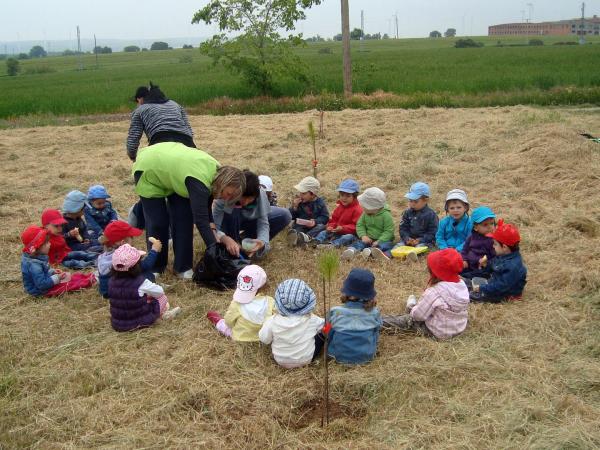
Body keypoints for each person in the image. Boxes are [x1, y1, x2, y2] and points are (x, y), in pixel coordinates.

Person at [132, 141, 245, 278]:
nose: (227, 199)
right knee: (158, 221)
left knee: (184, 218)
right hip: (150, 166)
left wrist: (216, 235)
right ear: (225, 182)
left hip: (176, 173)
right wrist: (216, 251)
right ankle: (155, 267)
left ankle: (183, 267)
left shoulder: (217, 176)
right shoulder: (200, 182)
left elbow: (206, 210)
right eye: (229, 194)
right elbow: (201, 221)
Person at [382, 248, 470, 339]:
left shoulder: (435, 292)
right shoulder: (462, 285)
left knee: (406, 319)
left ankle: (376, 322)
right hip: (458, 328)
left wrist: (413, 310)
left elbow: (418, 316)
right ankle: (413, 305)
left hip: (437, 331)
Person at [212, 170, 292, 259]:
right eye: (243, 197)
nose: (245, 202)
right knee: (235, 211)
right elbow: (214, 228)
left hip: (248, 220)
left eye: (250, 199)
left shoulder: (260, 193)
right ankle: (234, 246)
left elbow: (263, 223)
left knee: (284, 215)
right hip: (228, 223)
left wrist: (262, 242)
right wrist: (225, 239)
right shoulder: (226, 195)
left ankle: (246, 241)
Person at [108, 244, 181, 332]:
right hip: (140, 323)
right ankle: (164, 315)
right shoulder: (141, 282)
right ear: (136, 266)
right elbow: (160, 291)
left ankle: (162, 315)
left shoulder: (111, 281)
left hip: (118, 325)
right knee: (163, 298)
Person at [259, 279, 325, 369]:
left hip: (280, 360)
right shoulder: (312, 319)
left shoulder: (272, 321)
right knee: (322, 334)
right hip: (307, 359)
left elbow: (264, 339)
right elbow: (324, 326)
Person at [126, 83, 196, 161]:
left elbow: (133, 140)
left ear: (140, 99)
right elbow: (189, 131)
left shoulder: (140, 110)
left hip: (159, 143)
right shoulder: (175, 105)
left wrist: (133, 158)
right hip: (187, 143)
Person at [21, 225, 96, 297]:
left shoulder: (37, 257)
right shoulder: (34, 265)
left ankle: (87, 277)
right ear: (37, 247)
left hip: (46, 282)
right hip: (40, 291)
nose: (50, 244)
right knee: (68, 285)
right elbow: (42, 284)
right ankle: (89, 280)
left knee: (69, 277)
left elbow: (42, 272)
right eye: (46, 243)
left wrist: (52, 271)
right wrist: (57, 278)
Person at [327, 268, 382, 365]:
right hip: (366, 357)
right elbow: (376, 333)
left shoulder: (335, 312)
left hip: (337, 356)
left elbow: (326, 332)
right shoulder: (374, 313)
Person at [206, 265, 274, 341]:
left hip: (240, 337)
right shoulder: (270, 301)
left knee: (225, 326)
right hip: (261, 337)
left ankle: (218, 321)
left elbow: (228, 322)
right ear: (263, 286)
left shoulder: (237, 303)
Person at [97, 221, 161, 298]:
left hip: (106, 290)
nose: (133, 240)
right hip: (119, 292)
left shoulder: (104, 256)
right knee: (146, 273)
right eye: (131, 237)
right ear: (123, 243)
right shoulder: (124, 257)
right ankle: (152, 287)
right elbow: (146, 265)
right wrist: (154, 250)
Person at [467, 219, 527, 302]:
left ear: (504, 247)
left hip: (505, 293)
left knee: (471, 295)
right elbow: (494, 265)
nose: (493, 246)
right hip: (493, 282)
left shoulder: (513, 266)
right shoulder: (503, 255)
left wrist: (482, 288)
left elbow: (501, 286)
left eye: (495, 244)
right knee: (472, 280)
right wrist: (486, 264)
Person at [340, 187, 394, 260]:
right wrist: (363, 236)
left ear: (373, 207)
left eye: (364, 206)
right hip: (368, 239)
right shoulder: (365, 213)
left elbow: (389, 231)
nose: (362, 207)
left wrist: (379, 241)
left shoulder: (386, 215)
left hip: (382, 240)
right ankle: (351, 250)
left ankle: (371, 253)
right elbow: (360, 225)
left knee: (387, 245)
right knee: (359, 243)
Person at [392, 182, 438, 261]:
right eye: (410, 200)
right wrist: (407, 238)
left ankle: (412, 255)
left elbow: (433, 232)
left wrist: (420, 240)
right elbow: (403, 228)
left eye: (416, 201)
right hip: (408, 241)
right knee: (398, 246)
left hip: (424, 241)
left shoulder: (431, 215)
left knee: (420, 248)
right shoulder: (407, 213)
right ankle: (391, 254)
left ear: (426, 200)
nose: (412, 204)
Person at [313, 178, 363, 249]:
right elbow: (334, 220)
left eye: (348, 196)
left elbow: (357, 227)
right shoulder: (339, 207)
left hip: (349, 234)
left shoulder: (357, 210)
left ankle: (331, 245)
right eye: (342, 195)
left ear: (354, 197)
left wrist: (343, 228)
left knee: (347, 237)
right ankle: (315, 241)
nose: (344, 198)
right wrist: (331, 226)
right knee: (323, 232)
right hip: (336, 231)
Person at [287, 176, 329, 246]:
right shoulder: (300, 203)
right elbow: (292, 217)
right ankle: (296, 237)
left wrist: (315, 222)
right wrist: (294, 207)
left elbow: (325, 217)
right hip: (301, 226)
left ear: (313, 194)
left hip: (314, 226)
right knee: (297, 228)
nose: (300, 195)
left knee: (321, 227)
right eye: (300, 193)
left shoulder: (320, 203)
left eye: (303, 193)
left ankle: (306, 238)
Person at [460, 206, 496, 278]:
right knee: (457, 268)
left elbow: (495, 256)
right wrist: (464, 259)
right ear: (475, 227)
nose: (489, 227)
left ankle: (464, 279)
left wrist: (486, 263)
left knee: (470, 276)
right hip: (469, 264)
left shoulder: (493, 240)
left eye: (492, 223)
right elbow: (464, 250)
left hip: (482, 268)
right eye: (485, 224)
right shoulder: (471, 237)